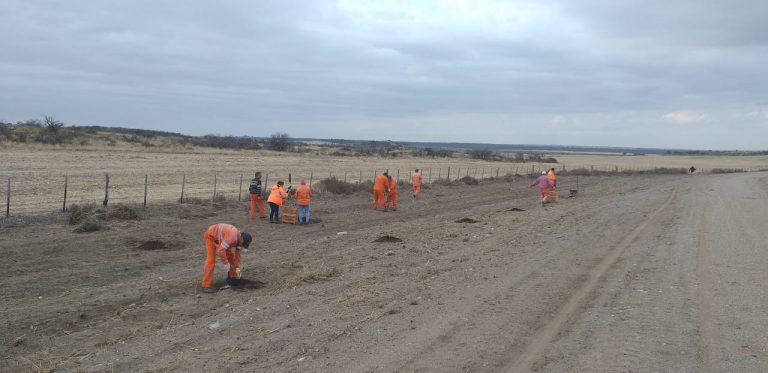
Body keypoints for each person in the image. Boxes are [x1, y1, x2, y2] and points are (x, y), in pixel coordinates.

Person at [201, 223, 252, 293]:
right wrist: (225, 263)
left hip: (223, 240)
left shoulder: (240, 241)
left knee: (231, 258)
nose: (242, 245)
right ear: (241, 238)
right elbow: (220, 251)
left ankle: (234, 277)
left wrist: (237, 271)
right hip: (212, 236)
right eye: (243, 244)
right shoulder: (232, 237)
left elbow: (237, 257)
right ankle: (206, 285)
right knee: (211, 260)